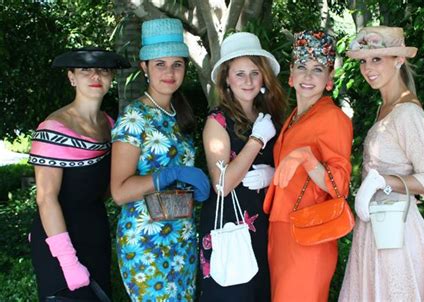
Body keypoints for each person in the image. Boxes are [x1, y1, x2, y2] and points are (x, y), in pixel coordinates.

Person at [338, 26, 424, 301]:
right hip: (377, 228)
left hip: (397, 232)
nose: (368, 68)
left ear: (399, 60)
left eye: (377, 59)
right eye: (364, 61)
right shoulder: (386, 107)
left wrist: (383, 181)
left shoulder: (407, 113)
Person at [110, 18, 210, 301]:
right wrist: (167, 175)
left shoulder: (180, 115)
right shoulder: (134, 117)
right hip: (147, 243)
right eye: (160, 64)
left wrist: (193, 189)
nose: (169, 72)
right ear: (144, 67)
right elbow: (119, 192)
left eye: (177, 64)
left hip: (182, 239)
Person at [28, 47, 130, 300]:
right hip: (59, 242)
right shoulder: (52, 129)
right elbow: (46, 199)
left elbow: (105, 188)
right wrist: (67, 261)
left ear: (110, 79)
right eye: (85, 70)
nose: (95, 75)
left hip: (95, 234)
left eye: (103, 70)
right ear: (72, 77)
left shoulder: (109, 124)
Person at [262, 30, 353, 301]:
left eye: (318, 69)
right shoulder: (294, 117)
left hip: (310, 233)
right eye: (302, 67)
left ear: (329, 78)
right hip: (281, 229)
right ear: (291, 74)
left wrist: (306, 157)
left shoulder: (333, 118)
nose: (308, 76)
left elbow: (339, 186)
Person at [198, 32, 287, 301]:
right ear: (226, 78)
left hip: (265, 225)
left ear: (263, 77)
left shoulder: (270, 115)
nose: (248, 81)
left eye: (254, 73)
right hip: (230, 229)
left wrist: (274, 176)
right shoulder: (217, 121)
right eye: (239, 74)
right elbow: (222, 184)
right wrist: (257, 140)